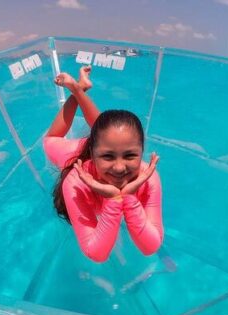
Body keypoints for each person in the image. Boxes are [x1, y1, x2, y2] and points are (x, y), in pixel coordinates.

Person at [43, 66, 163, 263]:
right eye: (108, 157)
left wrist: (128, 196)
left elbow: (151, 247)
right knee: (50, 139)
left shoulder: (148, 176)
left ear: (142, 152)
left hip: (101, 145)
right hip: (74, 154)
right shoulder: (75, 180)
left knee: (108, 132)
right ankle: (77, 90)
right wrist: (115, 200)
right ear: (91, 152)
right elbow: (97, 254)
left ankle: (78, 88)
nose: (119, 168)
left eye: (131, 155)